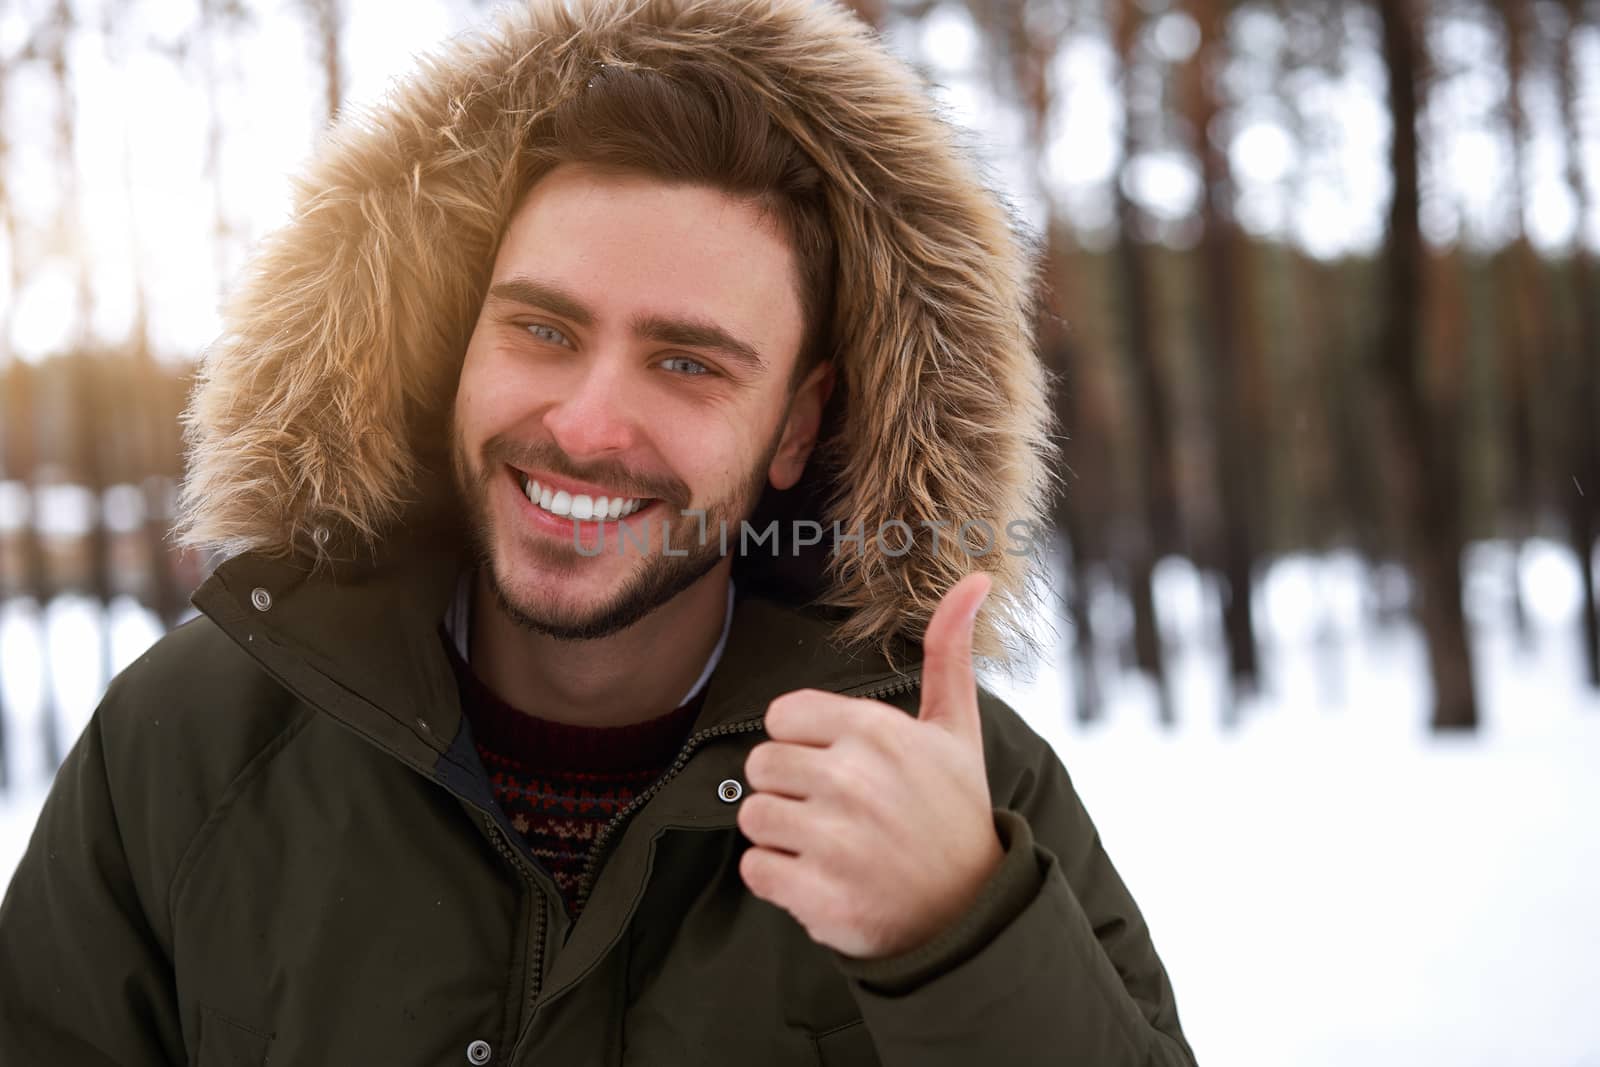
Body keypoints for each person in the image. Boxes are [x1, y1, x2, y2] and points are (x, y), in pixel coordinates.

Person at [0, 1, 1197, 1063]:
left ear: (798, 425)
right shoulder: (196, 739)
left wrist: (960, 938)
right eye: (542, 331)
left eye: (686, 361)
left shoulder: (955, 798)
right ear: (455, 345)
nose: (584, 423)